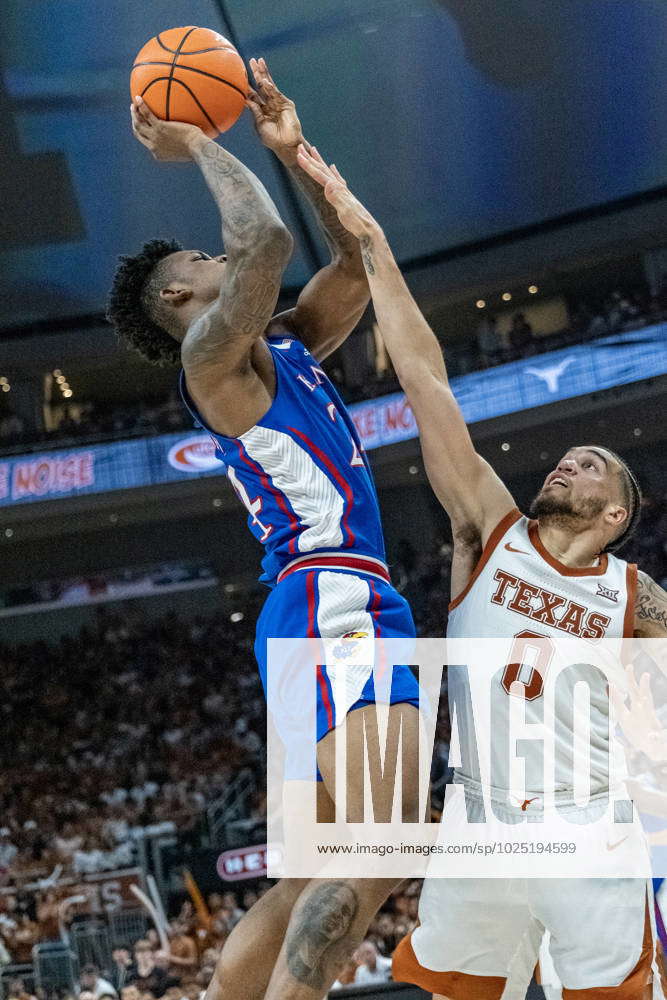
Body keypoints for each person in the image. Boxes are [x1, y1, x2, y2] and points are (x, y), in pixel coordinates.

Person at [296, 144, 667, 999]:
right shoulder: (486, 530)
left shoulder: (632, 594)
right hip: (478, 816)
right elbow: (425, 381)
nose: (563, 468)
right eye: (564, 461)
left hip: (585, 817)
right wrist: (368, 236)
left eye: (588, 467)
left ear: (616, 515)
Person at [107, 58, 420, 1000]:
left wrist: (298, 153)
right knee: (390, 833)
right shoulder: (211, 360)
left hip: (317, 609)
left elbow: (354, 265)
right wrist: (199, 137)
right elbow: (265, 239)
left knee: (302, 884)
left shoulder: (276, 343)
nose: (220, 256)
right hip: (333, 597)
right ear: (177, 299)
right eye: (202, 260)